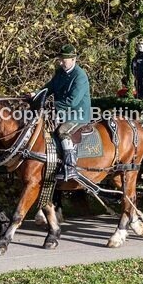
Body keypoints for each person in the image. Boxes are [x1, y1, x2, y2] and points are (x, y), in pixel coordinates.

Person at [41, 44, 92, 181]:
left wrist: (52, 105)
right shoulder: (60, 72)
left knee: (62, 130)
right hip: (61, 111)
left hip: (78, 114)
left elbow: (72, 102)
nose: (61, 62)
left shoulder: (80, 76)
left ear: (73, 59)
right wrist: (37, 94)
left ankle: (70, 166)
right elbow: (50, 87)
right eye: (60, 59)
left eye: (64, 59)